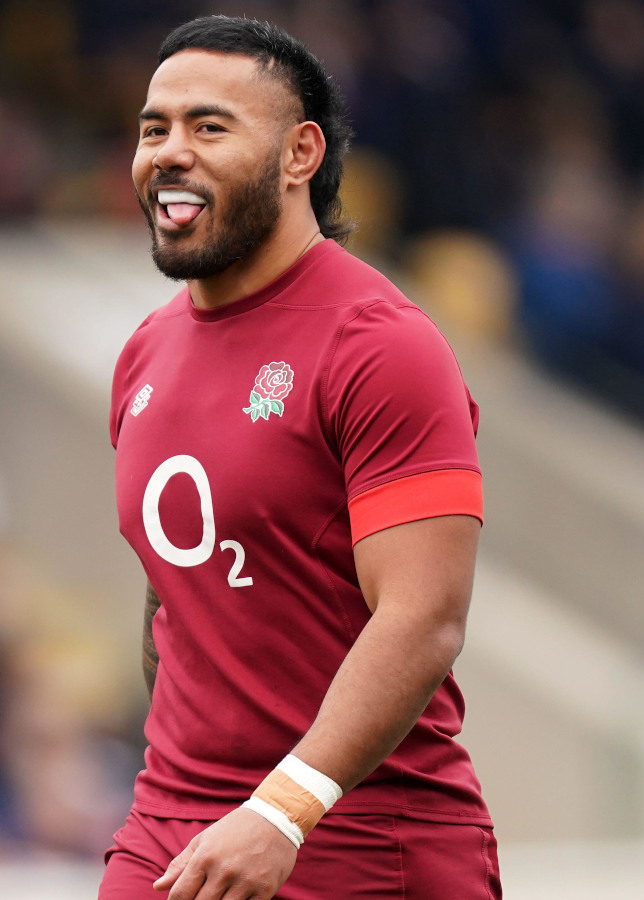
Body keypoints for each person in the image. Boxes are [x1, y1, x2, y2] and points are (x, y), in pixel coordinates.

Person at [102, 16, 498, 900]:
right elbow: (174, 595)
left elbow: (424, 617)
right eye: (152, 127)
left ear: (299, 154)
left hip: (361, 836)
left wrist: (283, 807)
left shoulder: (382, 343)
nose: (169, 151)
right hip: (174, 827)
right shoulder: (144, 353)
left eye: (209, 127)